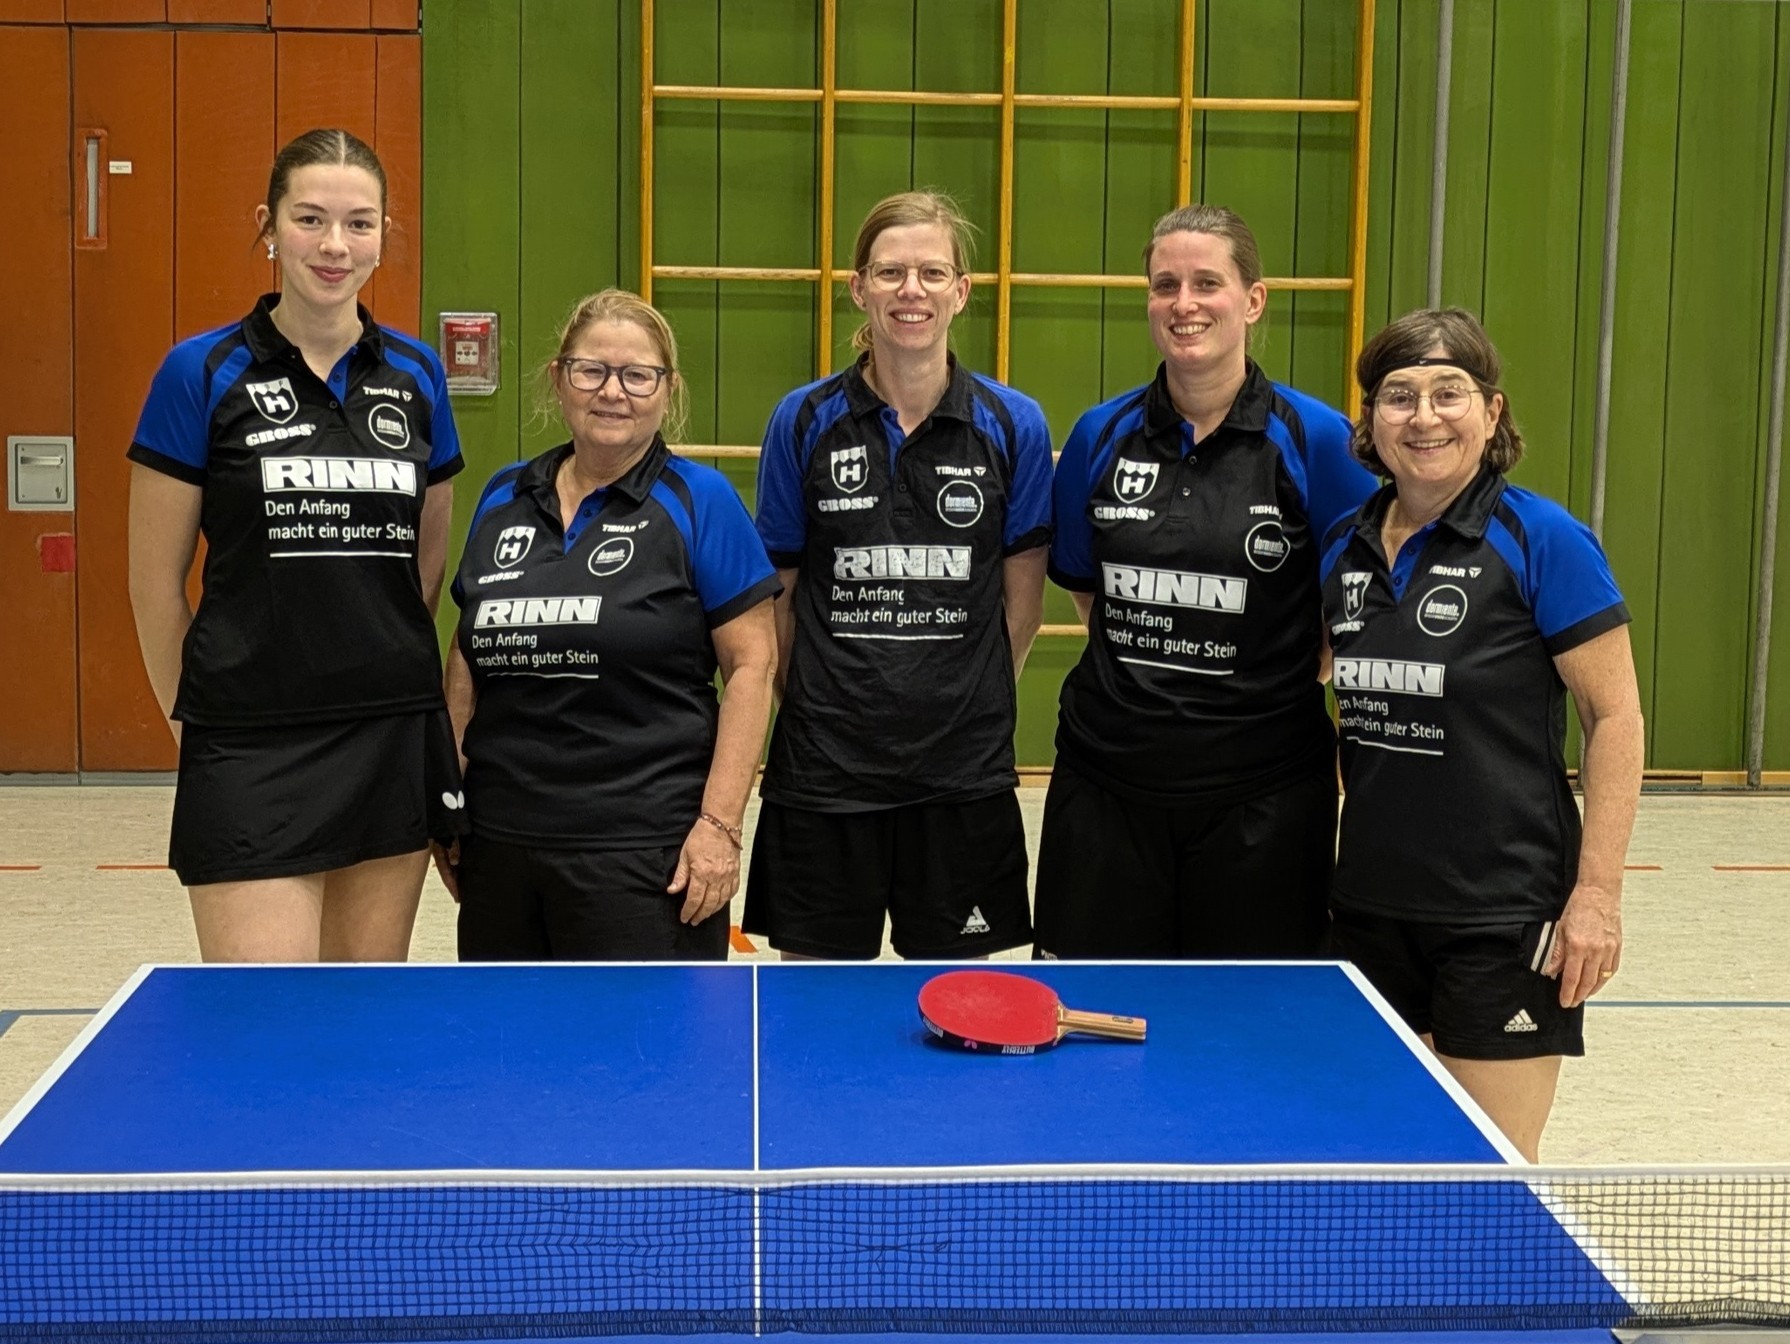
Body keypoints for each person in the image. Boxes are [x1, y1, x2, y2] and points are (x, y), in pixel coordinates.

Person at [127, 128, 464, 963]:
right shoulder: (199, 373)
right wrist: (202, 725)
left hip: (387, 737)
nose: (334, 245)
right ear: (269, 225)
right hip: (249, 744)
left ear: (387, 235)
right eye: (310, 219)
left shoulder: (418, 377)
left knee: (358, 1026)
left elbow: (422, 569)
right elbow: (153, 584)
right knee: (265, 1029)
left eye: (359, 223)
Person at [1319, 307, 1643, 1161]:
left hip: (1501, 914)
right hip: (1368, 910)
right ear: (1370, 421)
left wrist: (1597, 896)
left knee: (1489, 1176)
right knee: (1377, 1158)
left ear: (1491, 414)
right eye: (1398, 396)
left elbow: (1616, 717)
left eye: (1448, 393)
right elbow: (1321, 686)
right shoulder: (1342, 551)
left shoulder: (1542, 538)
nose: (1423, 417)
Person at [1037, 204, 1379, 959]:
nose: (1184, 303)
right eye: (1165, 285)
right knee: (1096, 1025)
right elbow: (1093, 596)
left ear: (1252, 300)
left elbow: (1352, 607)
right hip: (1107, 786)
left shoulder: (1320, 442)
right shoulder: (1099, 434)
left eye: (1206, 283)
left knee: (1248, 1035)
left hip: (1264, 799)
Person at [743, 190, 1053, 960]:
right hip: (825, 770)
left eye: (930, 272)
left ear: (960, 292)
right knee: (813, 1001)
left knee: (950, 1002)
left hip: (961, 774)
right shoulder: (803, 419)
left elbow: (1022, 608)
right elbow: (778, 595)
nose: (910, 290)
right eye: (890, 272)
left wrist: (962, 696)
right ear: (859, 288)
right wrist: (817, 700)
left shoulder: (1015, 424)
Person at [440, 290, 780, 961]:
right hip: (504, 845)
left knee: (646, 1060)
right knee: (510, 1056)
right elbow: (467, 653)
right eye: (592, 370)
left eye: (637, 375)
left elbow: (753, 668)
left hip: (645, 853)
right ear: (559, 378)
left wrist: (719, 826)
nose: (613, 392)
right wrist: (449, 803)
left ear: (667, 389)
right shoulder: (504, 495)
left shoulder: (699, 501)